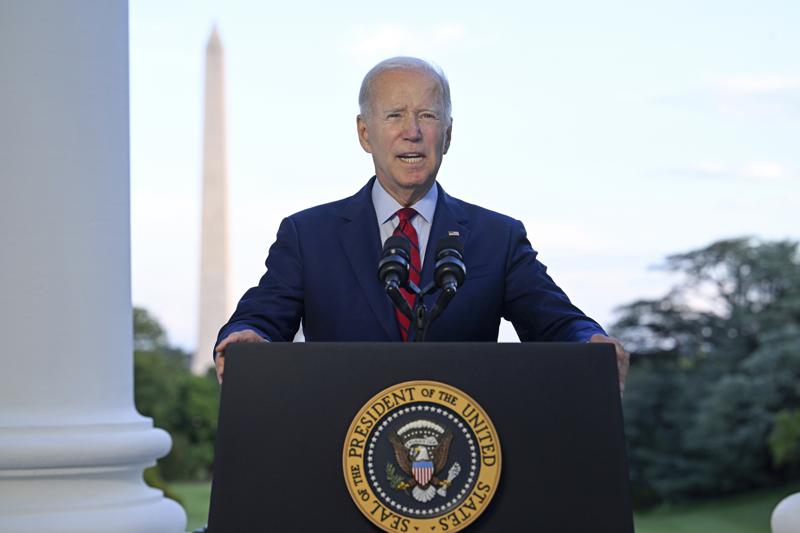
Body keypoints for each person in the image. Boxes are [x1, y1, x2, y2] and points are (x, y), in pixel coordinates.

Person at [213, 57, 629, 390]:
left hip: (465, 465)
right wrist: (248, 338)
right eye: (394, 115)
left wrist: (589, 341)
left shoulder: (497, 238)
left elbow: (556, 321)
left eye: (427, 116)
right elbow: (263, 318)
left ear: (447, 134)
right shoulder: (308, 235)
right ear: (364, 133)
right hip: (341, 457)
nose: (411, 132)